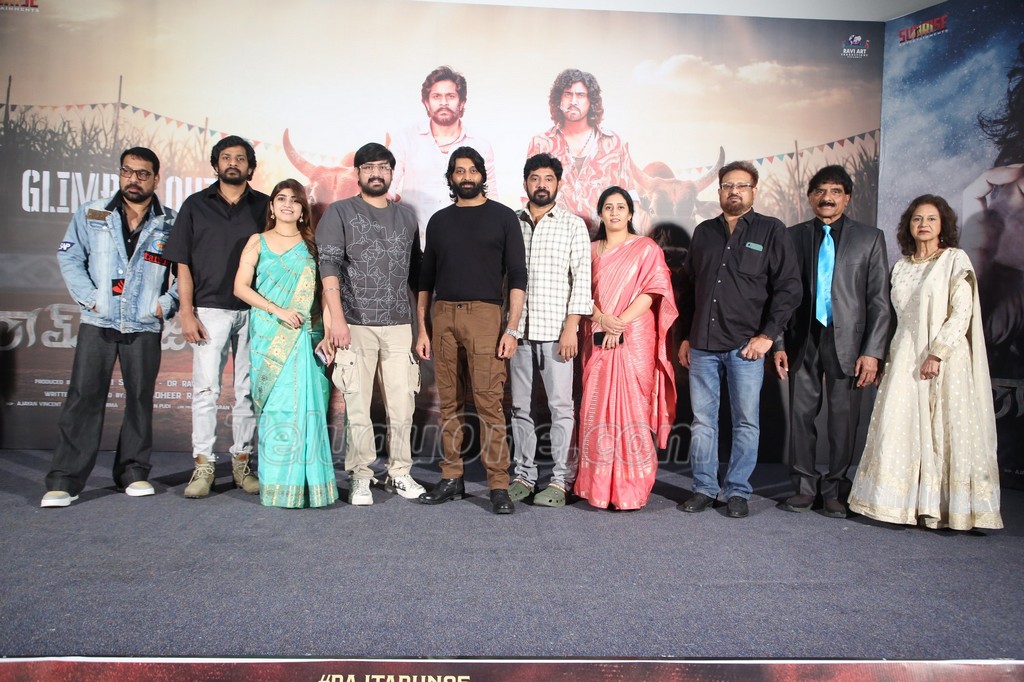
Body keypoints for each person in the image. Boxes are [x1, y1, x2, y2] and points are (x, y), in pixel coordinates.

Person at [849, 195, 1002, 530]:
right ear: (908, 225)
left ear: (943, 225)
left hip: (944, 358)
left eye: (931, 219)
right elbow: (893, 318)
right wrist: (885, 359)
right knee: (900, 425)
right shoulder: (901, 267)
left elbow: (962, 312)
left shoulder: (954, 260)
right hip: (904, 355)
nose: (924, 225)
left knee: (944, 429)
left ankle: (949, 510)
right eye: (917, 219)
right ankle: (898, 506)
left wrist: (937, 353)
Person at [41, 147, 178, 507]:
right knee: (84, 397)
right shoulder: (93, 213)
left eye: (143, 173)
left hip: (144, 324)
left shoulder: (171, 221)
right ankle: (65, 480)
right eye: (127, 171)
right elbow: (69, 256)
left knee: (139, 399)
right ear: (120, 174)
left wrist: (165, 304)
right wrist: (91, 298)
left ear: (156, 179)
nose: (134, 179)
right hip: (98, 320)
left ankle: (133, 472)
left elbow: (187, 270)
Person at [678, 161, 800, 519]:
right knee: (703, 422)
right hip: (702, 344)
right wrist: (684, 336)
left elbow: (789, 289)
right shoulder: (703, 233)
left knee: (746, 421)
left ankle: (736, 490)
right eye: (728, 185)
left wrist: (768, 336)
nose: (734, 191)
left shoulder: (771, 230)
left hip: (746, 347)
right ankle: (704, 488)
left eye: (742, 185)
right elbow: (689, 289)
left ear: (753, 191)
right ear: (719, 192)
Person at [772, 166, 890, 518]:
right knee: (801, 416)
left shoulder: (870, 238)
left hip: (849, 343)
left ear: (847, 197)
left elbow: (879, 301)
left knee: (843, 420)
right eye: (820, 191)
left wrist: (873, 352)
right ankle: (804, 487)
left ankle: (836, 487)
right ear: (810, 197)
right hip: (802, 339)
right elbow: (779, 295)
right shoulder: (791, 236)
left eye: (836, 191)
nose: (827, 198)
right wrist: (778, 343)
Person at [414, 147, 527, 515]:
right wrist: (422, 329)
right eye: (459, 171)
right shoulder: (439, 221)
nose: (466, 176)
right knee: (448, 402)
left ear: (482, 175)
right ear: (451, 177)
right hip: (443, 314)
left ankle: (498, 484)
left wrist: (512, 328)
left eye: (472, 170)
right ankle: (452, 478)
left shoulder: (503, 217)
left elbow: (518, 276)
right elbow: (425, 279)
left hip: (486, 316)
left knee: (488, 402)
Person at [316, 143, 424, 506]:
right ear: (358, 173)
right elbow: (328, 266)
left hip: (399, 324)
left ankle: (399, 472)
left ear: (392, 172)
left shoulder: (407, 218)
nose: (376, 173)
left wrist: (420, 327)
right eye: (368, 167)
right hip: (354, 323)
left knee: (403, 404)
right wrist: (337, 321)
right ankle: (361, 476)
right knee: (358, 405)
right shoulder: (339, 212)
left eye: (383, 167)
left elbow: (415, 275)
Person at [164, 135, 269, 498]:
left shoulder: (266, 206)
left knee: (247, 392)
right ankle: (203, 466)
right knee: (206, 390)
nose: (233, 163)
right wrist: (186, 311)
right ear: (215, 165)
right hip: (208, 310)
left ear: (250, 167)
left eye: (240, 158)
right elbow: (182, 263)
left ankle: (242, 464)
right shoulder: (195, 205)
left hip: (255, 310)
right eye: (226, 157)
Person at [233, 180, 337, 508]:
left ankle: (310, 487)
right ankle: (278, 486)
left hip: (306, 335)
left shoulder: (312, 246)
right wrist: (276, 310)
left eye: (295, 200)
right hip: (270, 333)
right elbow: (240, 287)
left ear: (303, 209)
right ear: (272, 206)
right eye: (281, 198)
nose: (288, 204)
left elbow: (325, 294)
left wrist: (329, 332)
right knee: (277, 409)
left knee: (307, 409)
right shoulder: (258, 241)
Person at [575, 186, 677, 510]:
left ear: (631, 213)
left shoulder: (646, 248)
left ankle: (631, 489)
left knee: (633, 407)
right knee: (595, 408)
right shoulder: (589, 251)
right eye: (609, 207)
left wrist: (618, 322)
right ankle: (598, 487)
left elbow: (654, 290)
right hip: (598, 333)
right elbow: (579, 293)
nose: (615, 212)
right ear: (600, 214)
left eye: (621, 207)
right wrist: (603, 319)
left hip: (634, 335)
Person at [508, 153, 592, 507]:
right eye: (535, 178)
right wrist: (508, 328)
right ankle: (524, 475)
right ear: (525, 182)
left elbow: (582, 280)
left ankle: (560, 479)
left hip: (557, 332)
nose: (541, 185)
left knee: (561, 408)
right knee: (520, 408)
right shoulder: (511, 223)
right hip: (517, 333)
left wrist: (572, 327)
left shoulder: (573, 225)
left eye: (548, 178)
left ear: (558, 183)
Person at [391, 65, 498, 249]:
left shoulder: (480, 145)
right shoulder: (405, 139)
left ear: (462, 102)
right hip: (414, 247)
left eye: (450, 96)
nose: (443, 103)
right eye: (436, 96)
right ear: (426, 102)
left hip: (465, 247)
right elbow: (388, 187)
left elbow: (491, 199)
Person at [526, 68, 636, 235]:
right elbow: (528, 196)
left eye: (580, 95)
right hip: (554, 238)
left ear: (591, 101)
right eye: (567, 94)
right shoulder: (541, 143)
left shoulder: (613, 143)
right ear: (559, 99)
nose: (573, 101)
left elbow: (629, 196)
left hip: (604, 239)